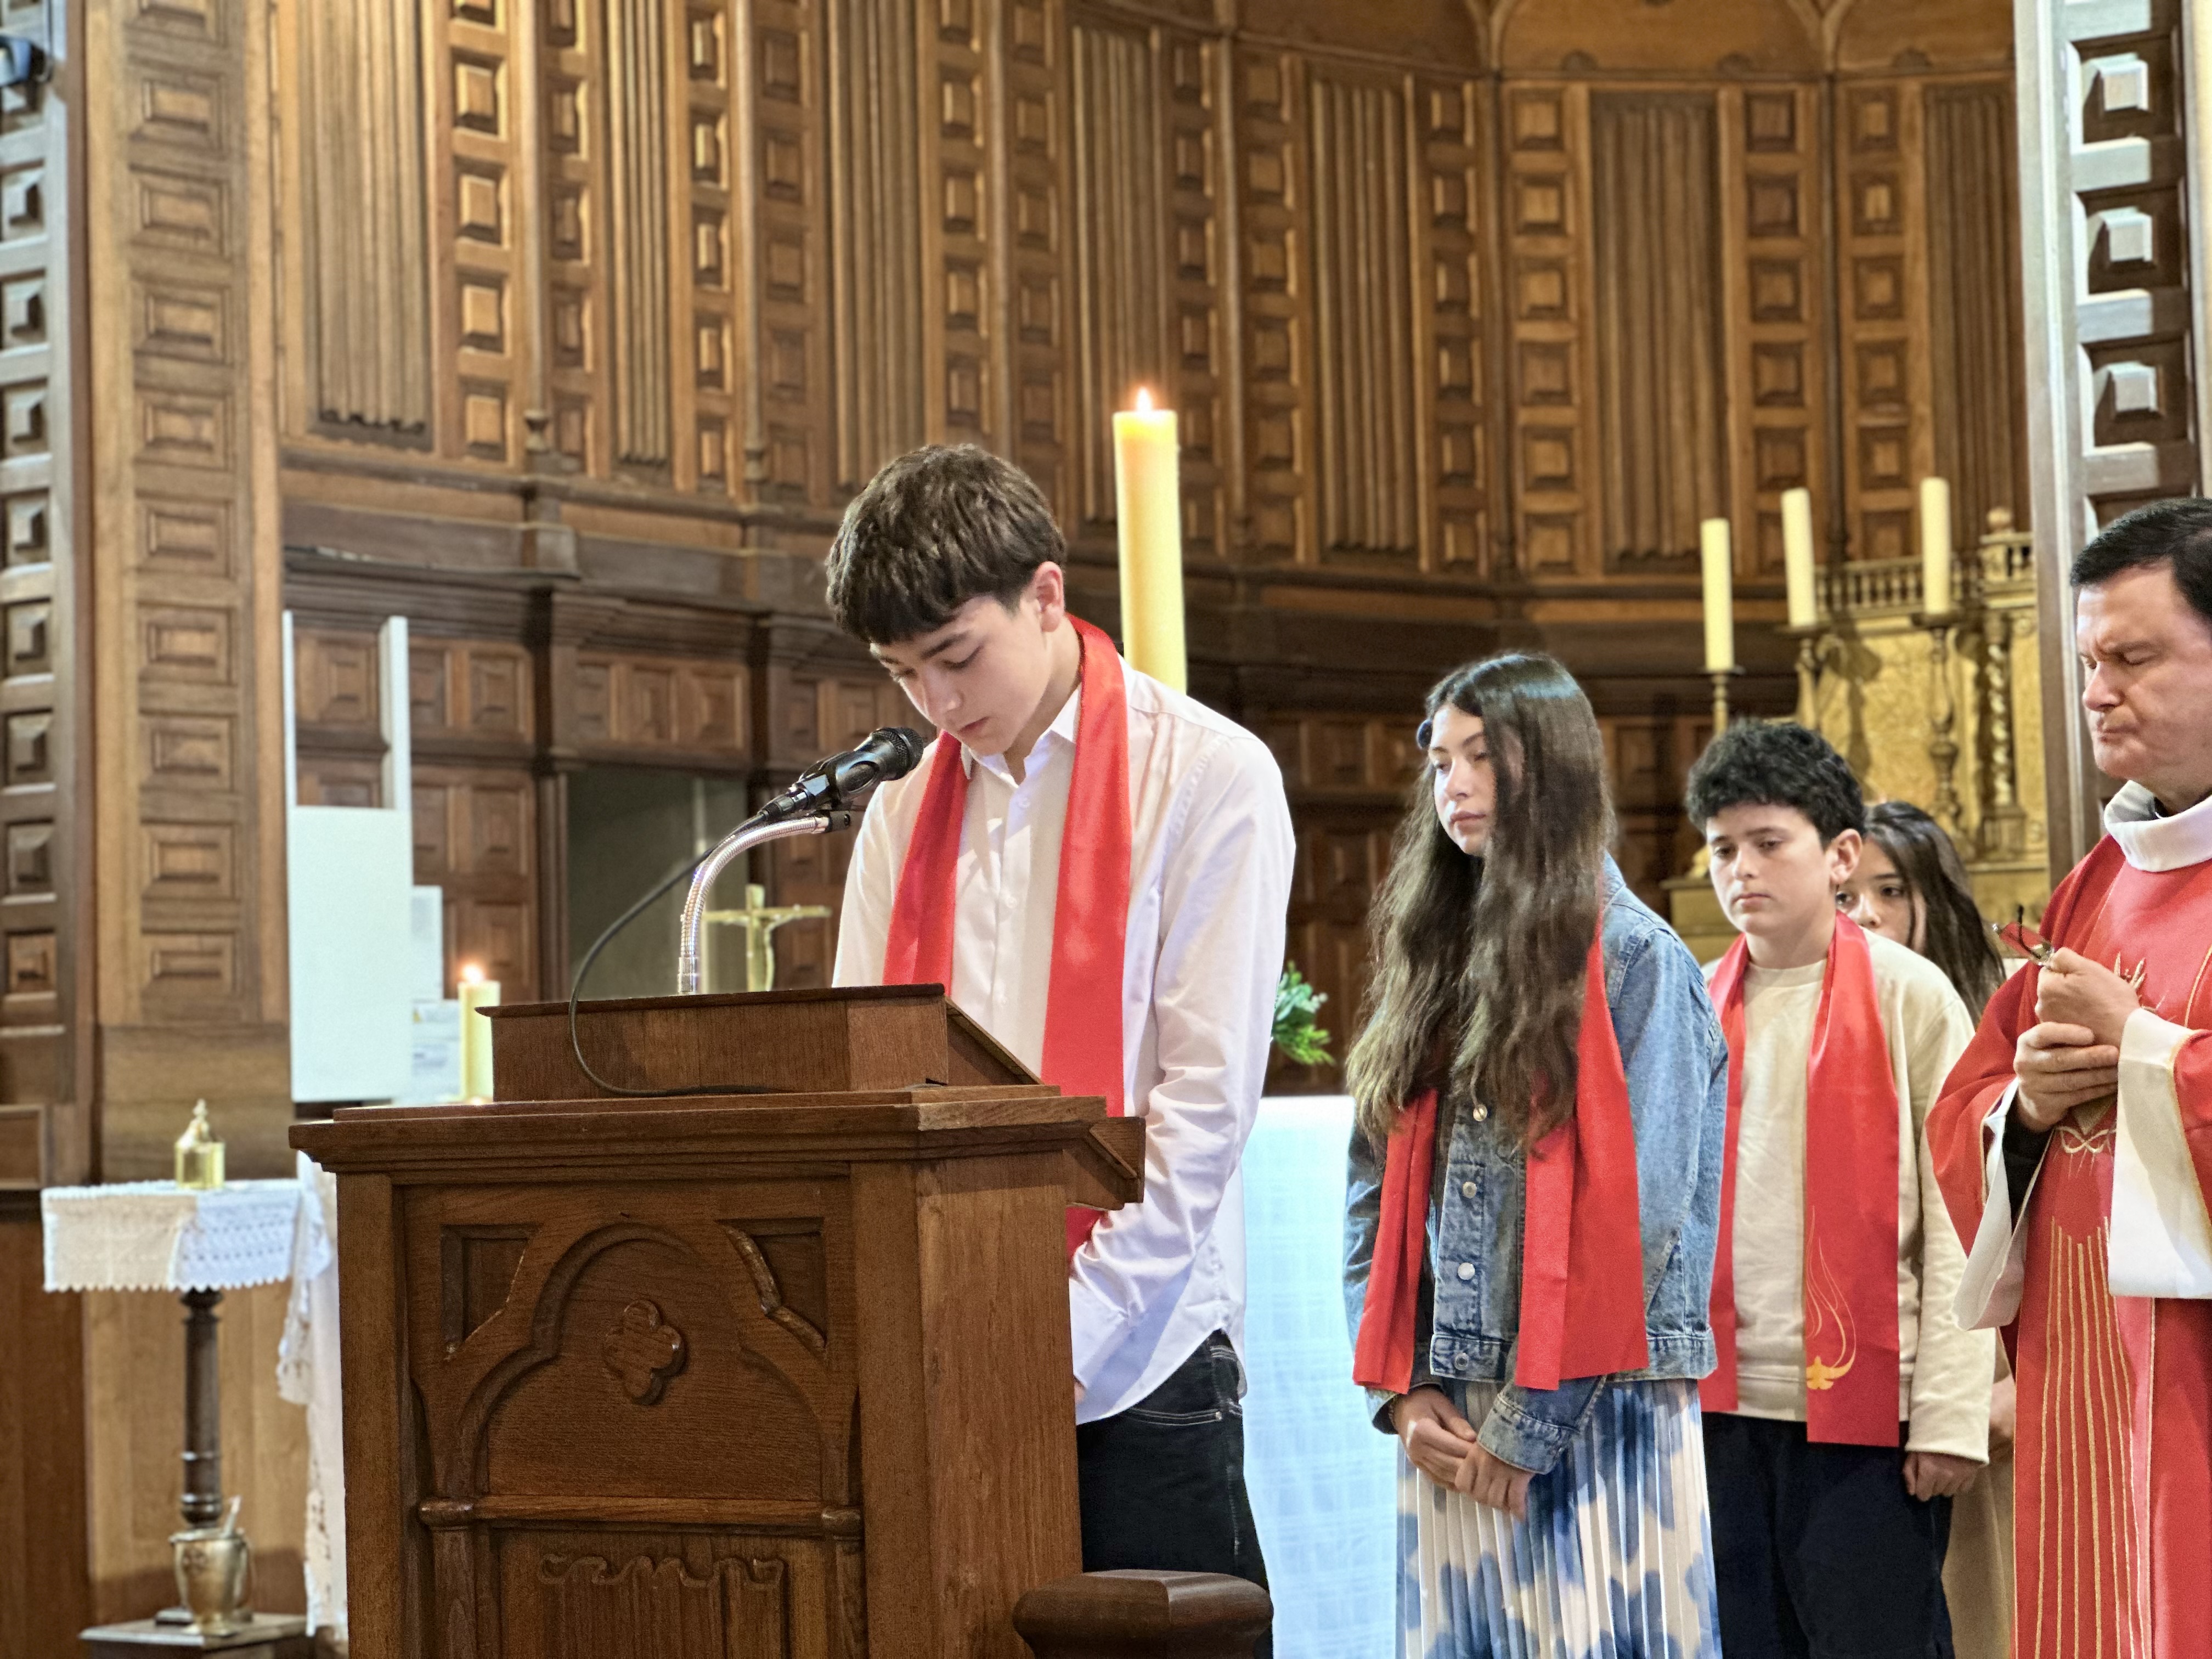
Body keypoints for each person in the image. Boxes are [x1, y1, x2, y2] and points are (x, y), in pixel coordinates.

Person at [826, 445, 1296, 1616]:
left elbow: (1202, 1112)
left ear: (1045, 595)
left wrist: (1053, 1342)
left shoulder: (1207, 777)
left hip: (1140, 1364)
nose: (937, 705)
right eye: (903, 674)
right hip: (937, 1354)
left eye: (955, 657)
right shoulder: (900, 813)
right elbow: (860, 1081)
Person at [1342, 652, 1729, 1656]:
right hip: (1454, 1402)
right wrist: (1401, 1392)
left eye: (1482, 757)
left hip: (1596, 1402)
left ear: (1551, 768)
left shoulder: (1639, 961)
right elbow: (1372, 1189)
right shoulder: (1434, 960)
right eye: (1440, 764)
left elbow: (1642, 1215)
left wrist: (1529, 1426)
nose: (1455, 785)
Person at [1928, 497, 2212, 1659]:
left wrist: (2143, 1046)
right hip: (2086, 1372)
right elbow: (1967, 1107)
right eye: (2090, 663)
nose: (2099, 692)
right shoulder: (2097, 882)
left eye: (2134, 659)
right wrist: (2030, 1110)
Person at [1687, 721, 1992, 1659]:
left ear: (1841, 855)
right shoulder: (1697, 1000)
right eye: (1722, 849)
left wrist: (1949, 1413)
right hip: (1721, 1408)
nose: (1742, 870)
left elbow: (1960, 1217)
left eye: (1768, 843)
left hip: (1870, 1415)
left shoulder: (1911, 995)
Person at [1837, 798, 2017, 1659]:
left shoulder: (2003, 1017)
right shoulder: (1830, 1023)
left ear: (1931, 899)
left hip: (1996, 1358)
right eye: (1848, 896)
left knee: (1988, 1608)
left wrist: (2023, 1390)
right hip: (1874, 1366)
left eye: (1891, 891)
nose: (1866, 915)